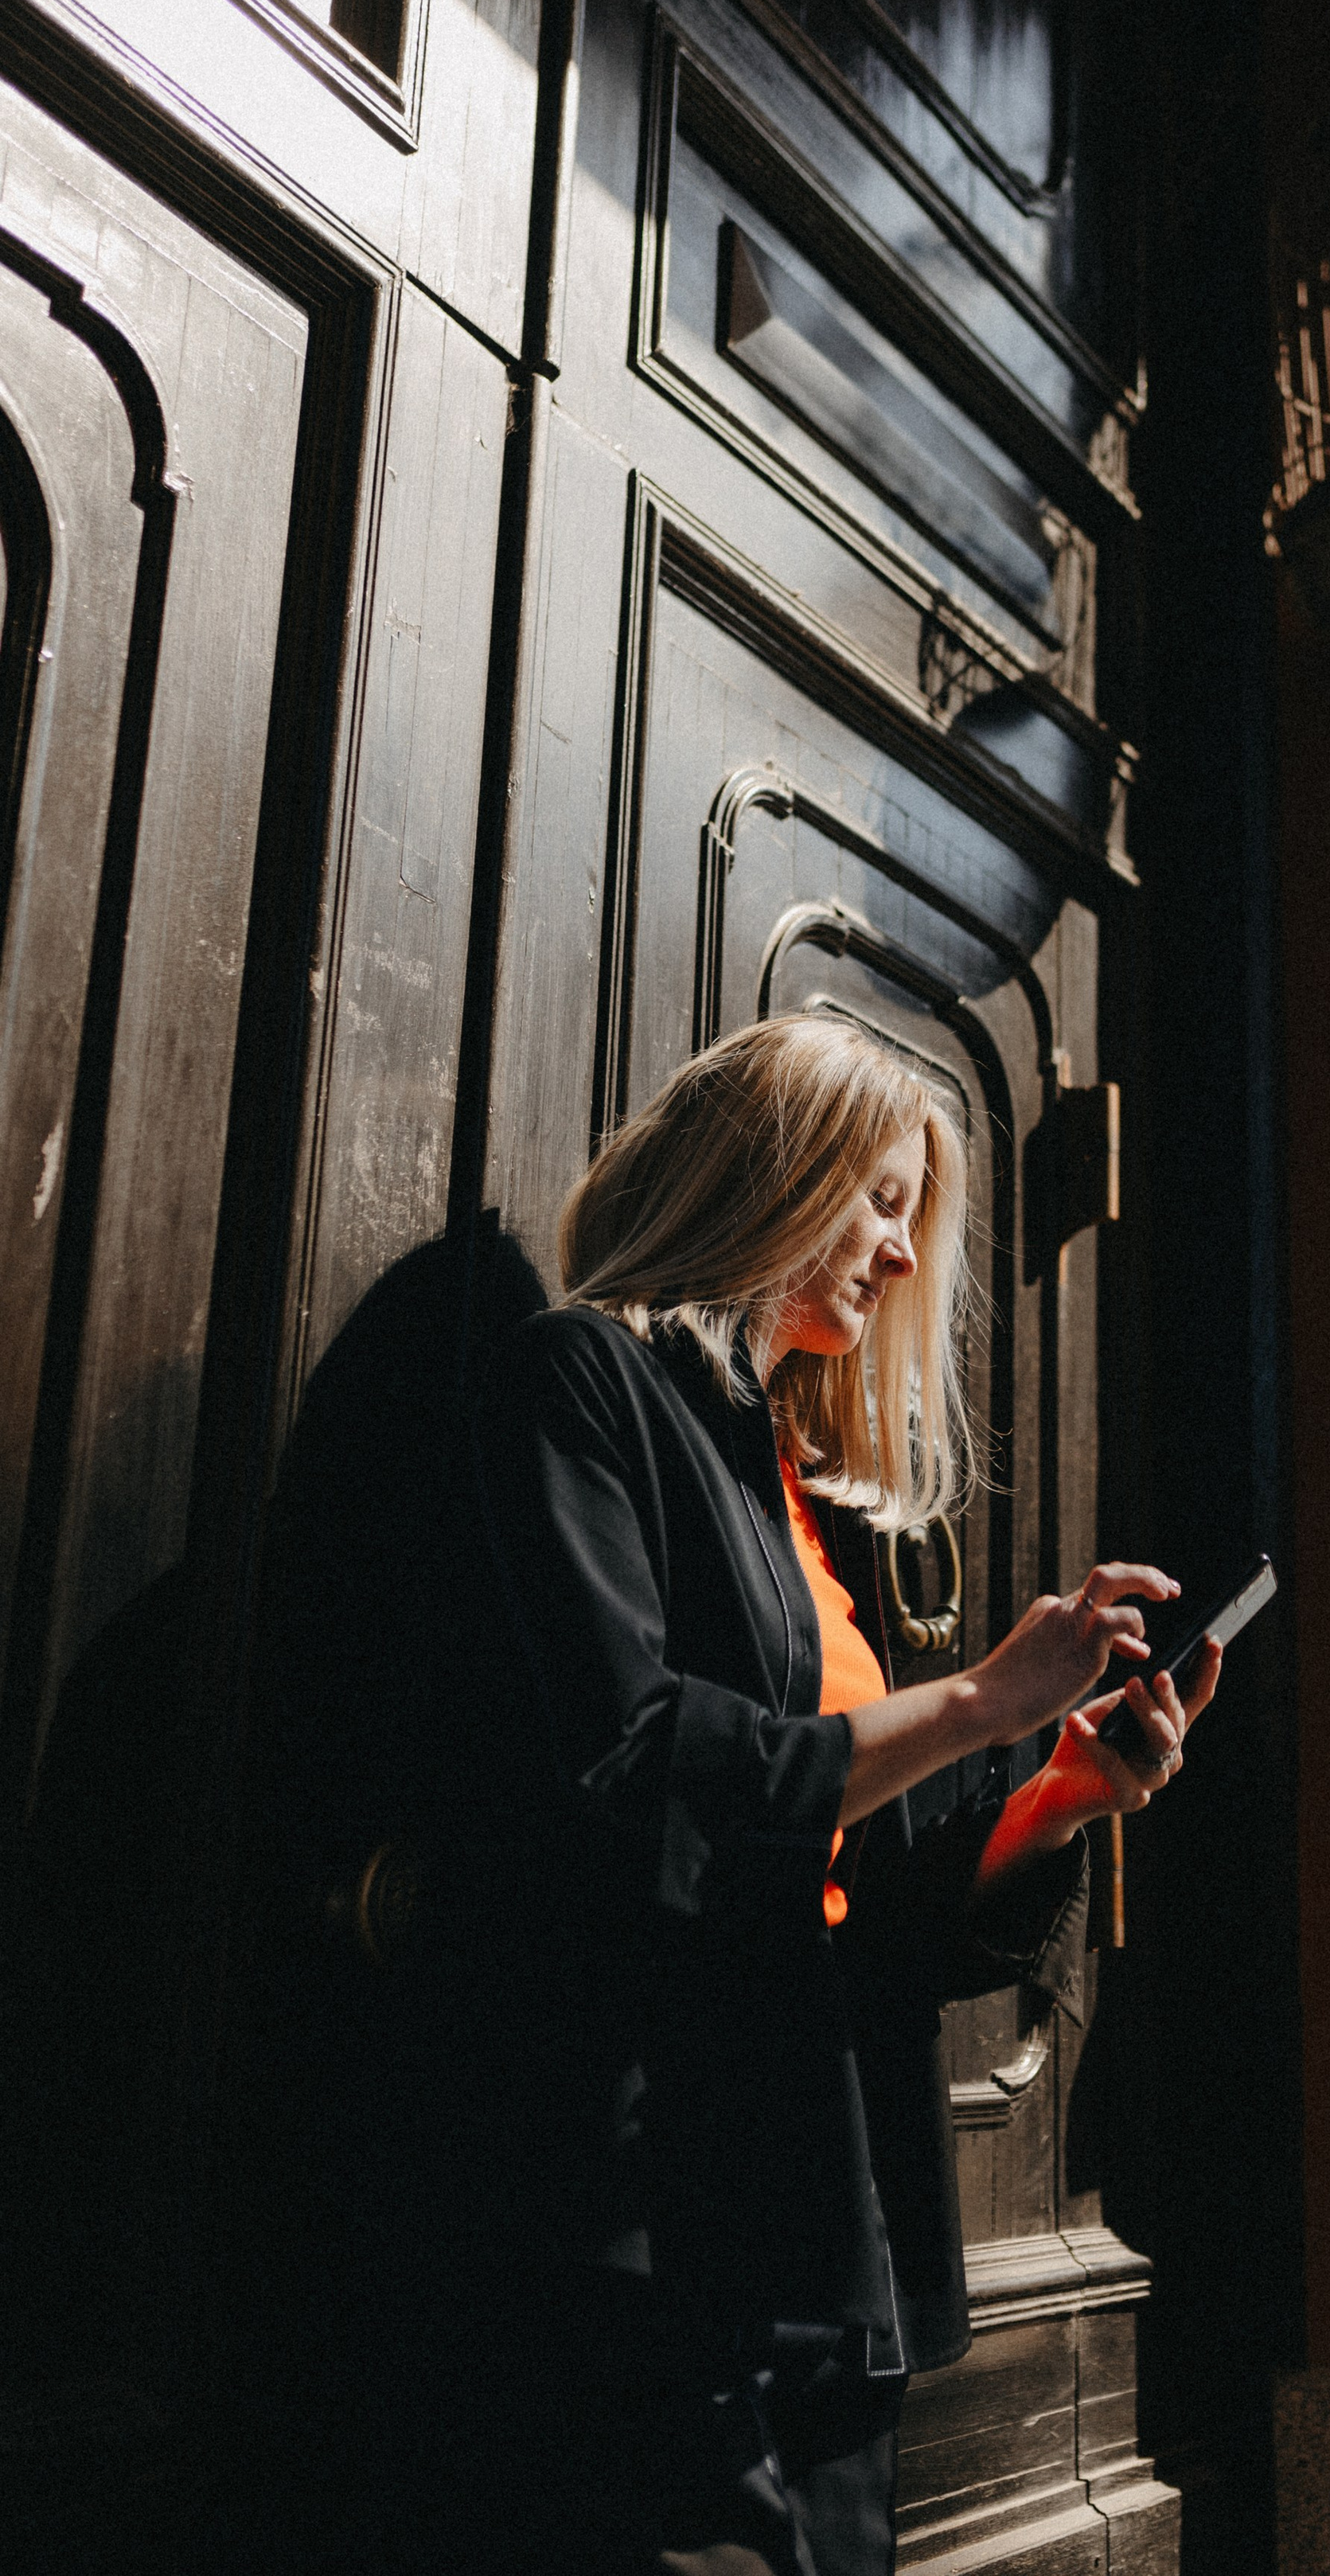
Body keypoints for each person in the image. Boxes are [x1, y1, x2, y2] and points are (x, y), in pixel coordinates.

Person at [433, 1013, 1219, 2576]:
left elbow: (879, 1900)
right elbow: (635, 1766)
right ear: (767, 1176)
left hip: (826, 2211)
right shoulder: (581, 1382)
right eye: (875, 1201)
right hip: (649, 2211)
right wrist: (987, 1698)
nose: (901, 1258)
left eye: (906, 1218)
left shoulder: (784, 1478)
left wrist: (1062, 1784)